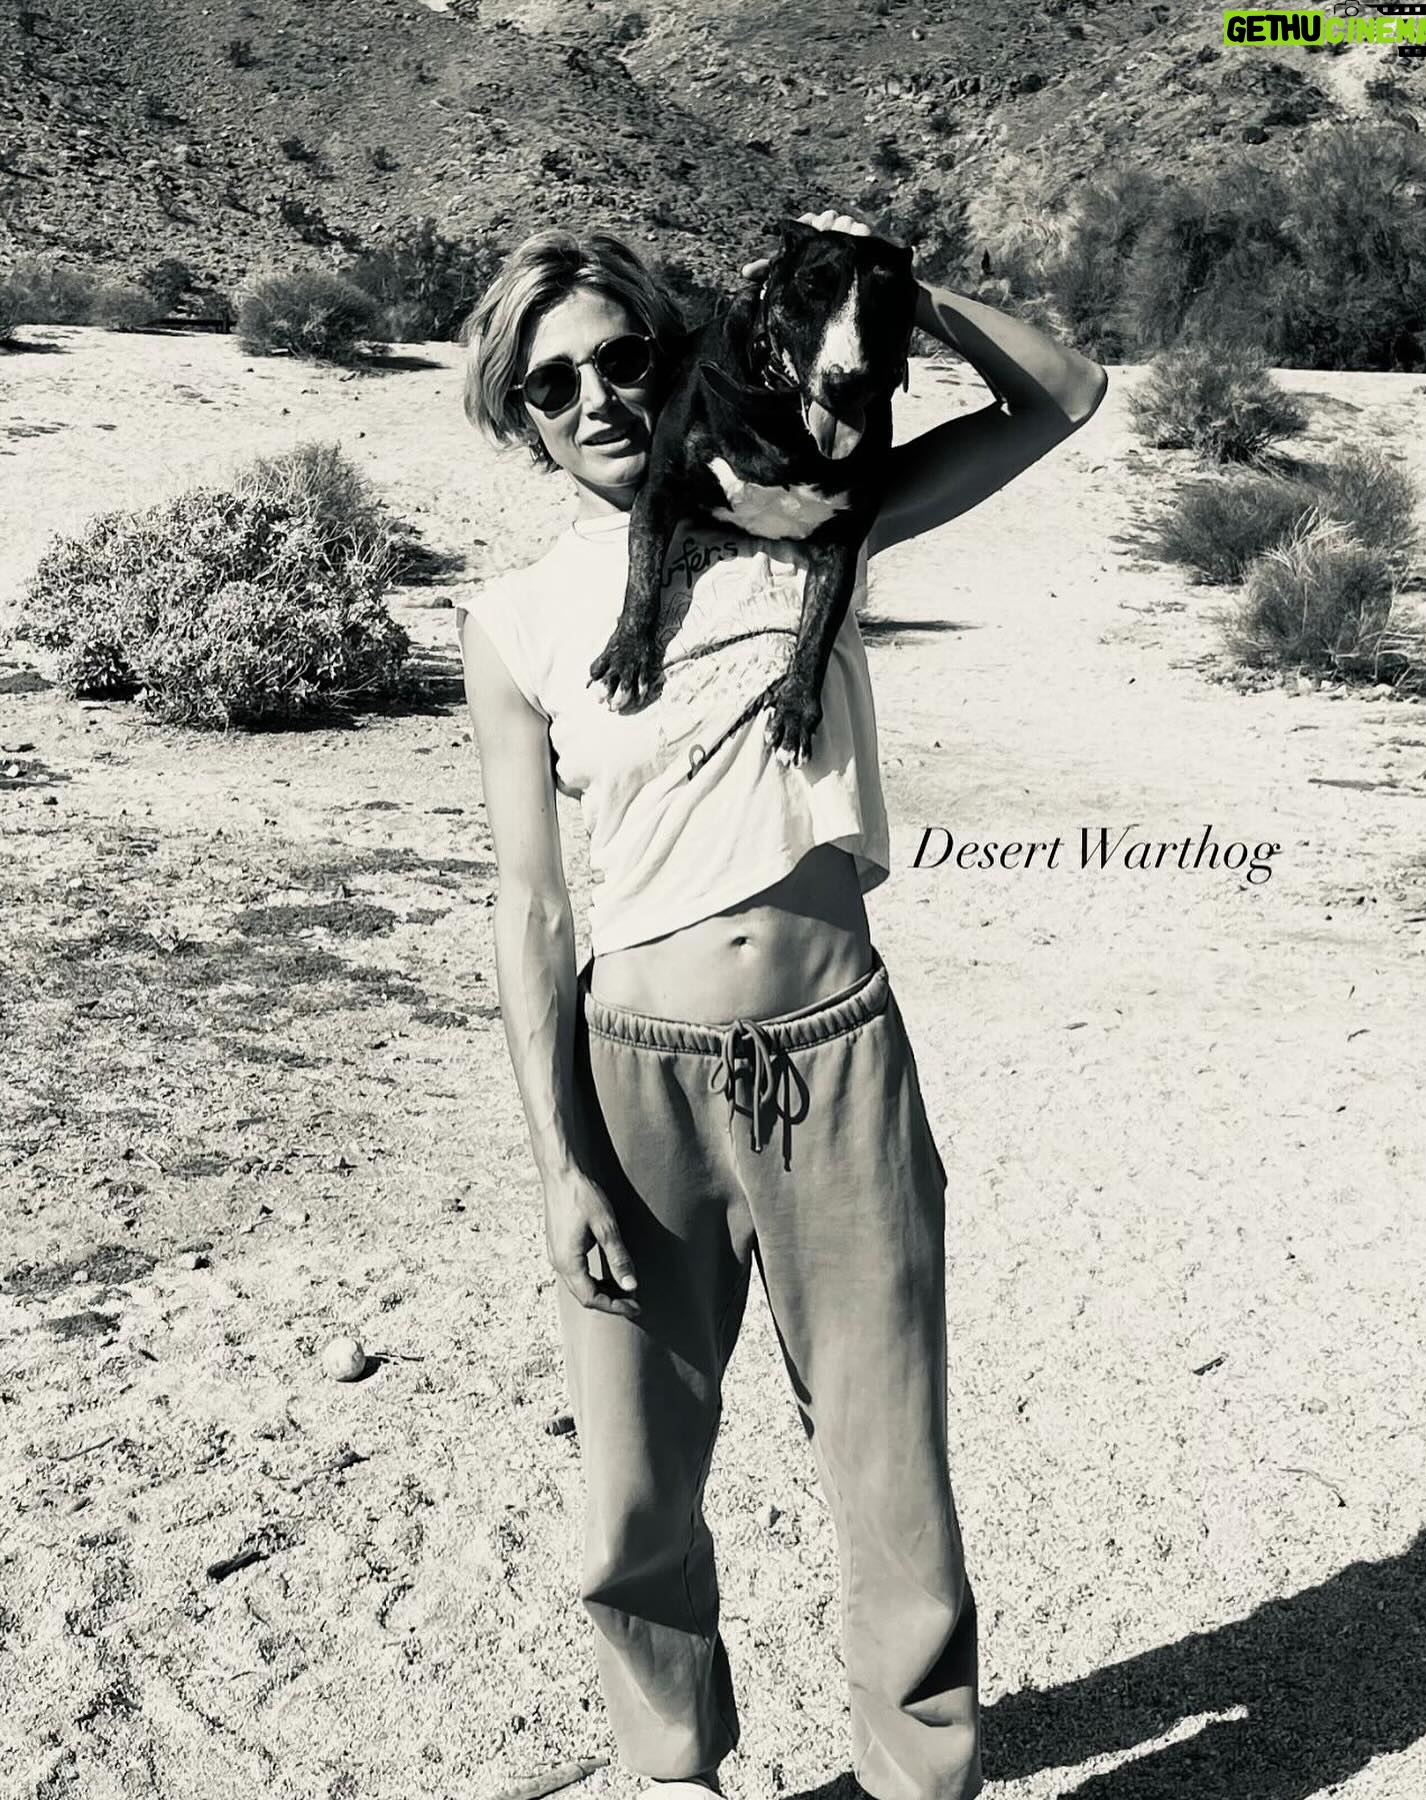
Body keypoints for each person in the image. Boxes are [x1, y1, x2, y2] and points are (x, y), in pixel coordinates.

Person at [455, 208, 1106, 1800]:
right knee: (636, 1477)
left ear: (678, 352)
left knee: (888, 1462)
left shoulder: (812, 512)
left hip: (835, 1056)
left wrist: (880, 293)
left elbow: (1064, 394)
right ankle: (670, 1766)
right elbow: (531, 906)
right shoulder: (517, 620)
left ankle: (917, 1776)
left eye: (624, 357)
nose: (599, 399)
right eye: (553, 384)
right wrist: (560, 1163)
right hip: (637, 1077)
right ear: (519, 417)